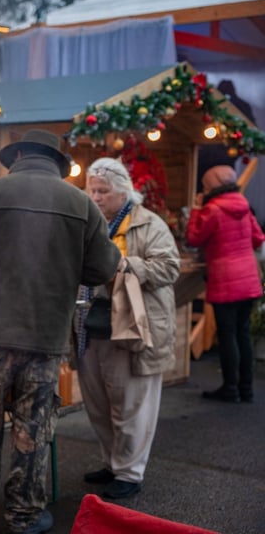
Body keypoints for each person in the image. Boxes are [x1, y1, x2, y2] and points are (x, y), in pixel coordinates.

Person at [0, 130, 120, 534]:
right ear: (59, 163)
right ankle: (24, 515)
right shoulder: (82, 205)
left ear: (17, 155)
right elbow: (103, 269)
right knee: (33, 427)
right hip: (45, 335)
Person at [77, 157, 180, 501]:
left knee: (132, 406)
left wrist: (123, 266)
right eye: (92, 190)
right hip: (91, 328)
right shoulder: (88, 224)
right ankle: (112, 463)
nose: (96, 197)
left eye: (103, 191)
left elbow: (168, 267)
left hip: (134, 328)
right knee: (99, 405)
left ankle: (130, 472)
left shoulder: (149, 224)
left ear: (124, 192)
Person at [186, 164, 264, 403]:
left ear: (210, 186)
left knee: (227, 334)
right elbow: (258, 238)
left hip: (226, 281)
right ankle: (246, 388)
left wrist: (196, 209)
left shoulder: (212, 209)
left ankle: (230, 388)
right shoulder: (243, 206)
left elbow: (194, 238)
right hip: (249, 281)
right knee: (242, 334)